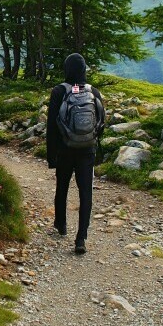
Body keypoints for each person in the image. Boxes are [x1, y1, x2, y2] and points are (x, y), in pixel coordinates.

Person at [46, 53, 105, 254]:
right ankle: (81, 238)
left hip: (65, 148)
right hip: (87, 150)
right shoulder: (93, 91)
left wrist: (51, 156)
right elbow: (101, 121)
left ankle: (61, 225)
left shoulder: (59, 91)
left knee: (62, 186)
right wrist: (93, 144)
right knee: (85, 192)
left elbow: (52, 126)